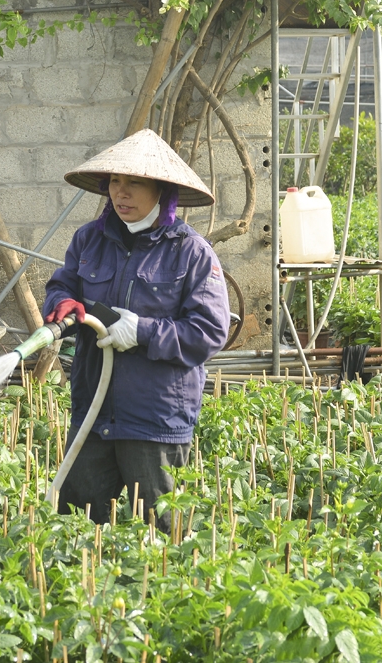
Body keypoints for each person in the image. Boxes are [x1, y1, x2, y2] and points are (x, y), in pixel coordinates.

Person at [42, 129, 231, 531]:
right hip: (93, 411)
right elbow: (62, 286)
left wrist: (142, 332)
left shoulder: (191, 252)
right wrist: (61, 304)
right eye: (114, 181)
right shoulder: (89, 240)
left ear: (162, 190)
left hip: (156, 418)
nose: (120, 192)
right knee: (79, 528)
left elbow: (209, 331)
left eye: (135, 183)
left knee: (162, 533)